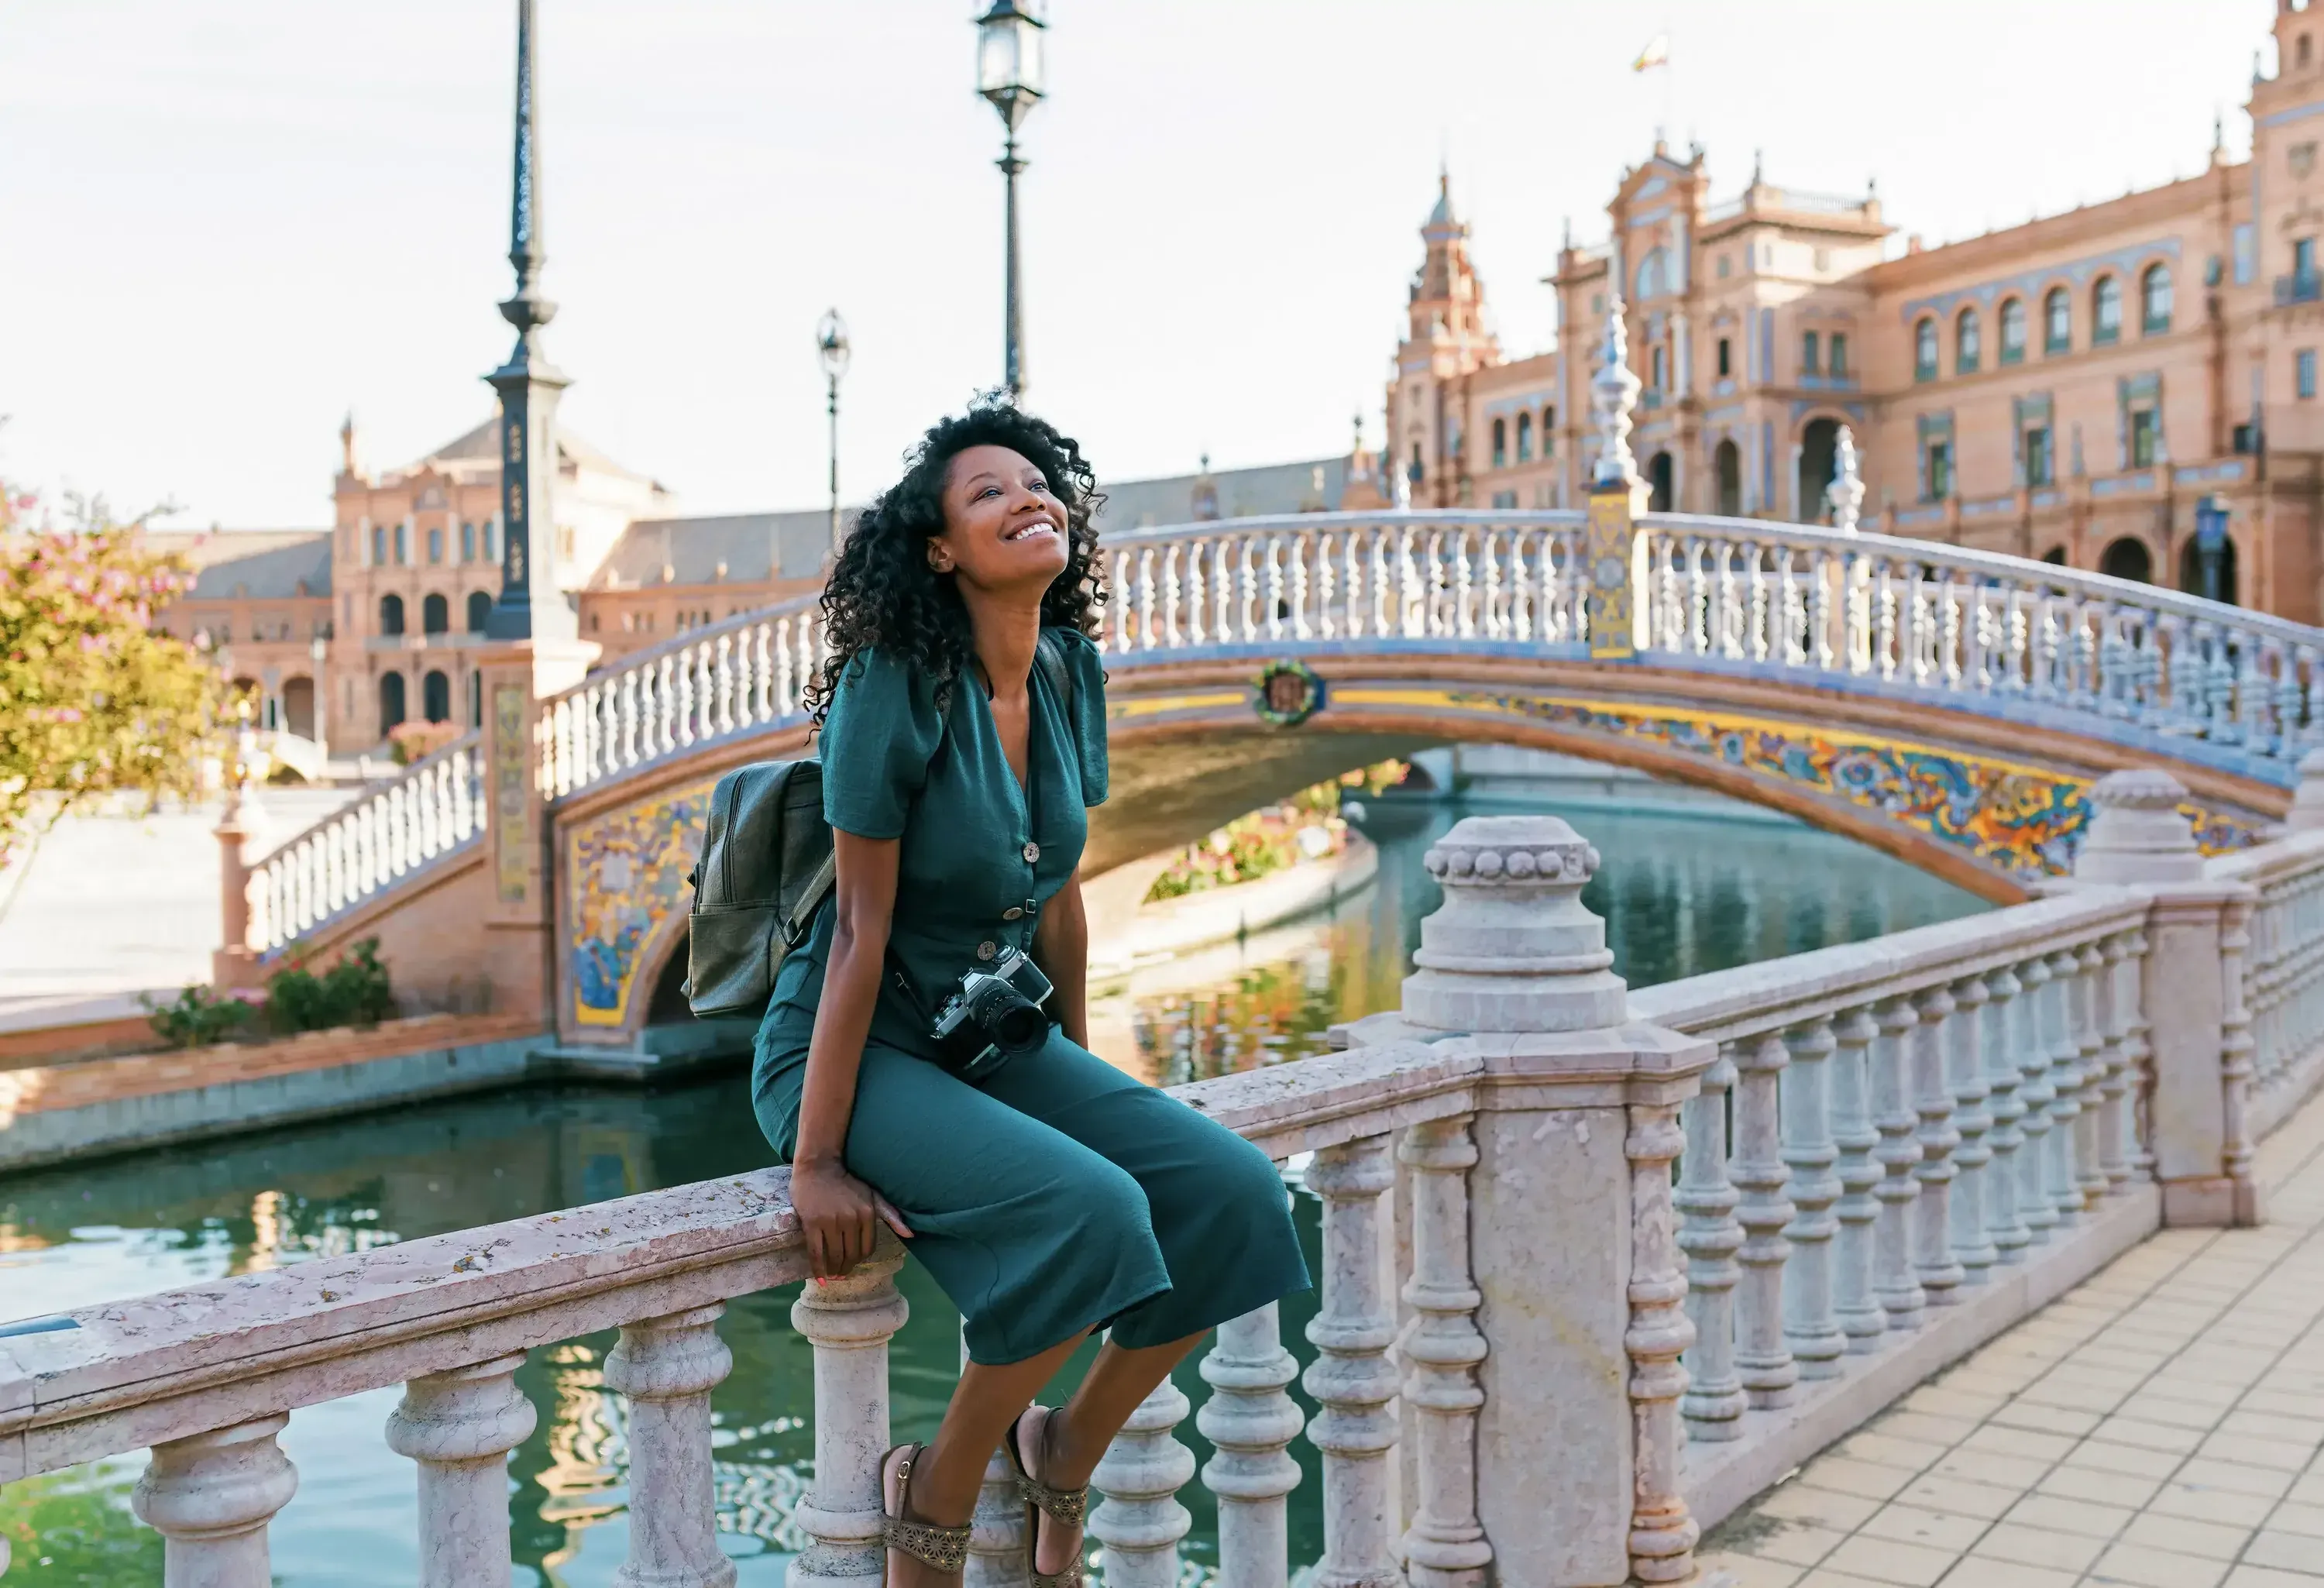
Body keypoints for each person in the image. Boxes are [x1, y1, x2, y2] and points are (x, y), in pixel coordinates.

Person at [751, 401, 1310, 1588]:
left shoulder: (1066, 671)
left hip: (993, 1037)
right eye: (989, 492)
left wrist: (1084, 1071)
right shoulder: (890, 681)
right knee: (1096, 1212)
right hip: (853, 1047)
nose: (1028, 498)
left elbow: (1062, 896)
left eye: (1039, 482)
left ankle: (1061, 1446)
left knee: (1237, 1196)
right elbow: (855, 930)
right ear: (941, 550)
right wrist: (814, 1159)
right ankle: (932, 1499)